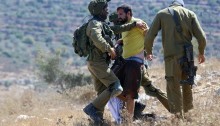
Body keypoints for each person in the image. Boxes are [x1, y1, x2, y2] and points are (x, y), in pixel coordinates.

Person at [144, 0, 206, 118]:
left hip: (172, 57)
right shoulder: (190, 14)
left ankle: (178, 118)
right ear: (182, 5)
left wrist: (149, 51)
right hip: (188, 56)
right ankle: (188, 115)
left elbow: (150, 36)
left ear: (171, 4)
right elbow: (202, 37)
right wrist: (201, 53)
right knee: (187, 84)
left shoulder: (162, 14)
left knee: (173, 87)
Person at [108, 11, 169, 121]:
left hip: (137, 66)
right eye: (114, 22)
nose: (115, 24)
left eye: (116, 21)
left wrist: (148, 52)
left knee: (150, 89)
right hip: (126, 66)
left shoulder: (134, 26)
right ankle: (128, 114)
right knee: (120, 90)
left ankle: (175, 109)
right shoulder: (121, 31)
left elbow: (147, 37)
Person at [83, 0, 123, 125]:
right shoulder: (94, 23)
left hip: (97, 62)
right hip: (97, 62)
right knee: (116, 87)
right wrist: (109, 48)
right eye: (106, 9)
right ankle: (92, 108)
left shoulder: (100, 23)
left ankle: (97, 120)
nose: (107, 11)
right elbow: (96, 37)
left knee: (101, 92)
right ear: (100, 11)